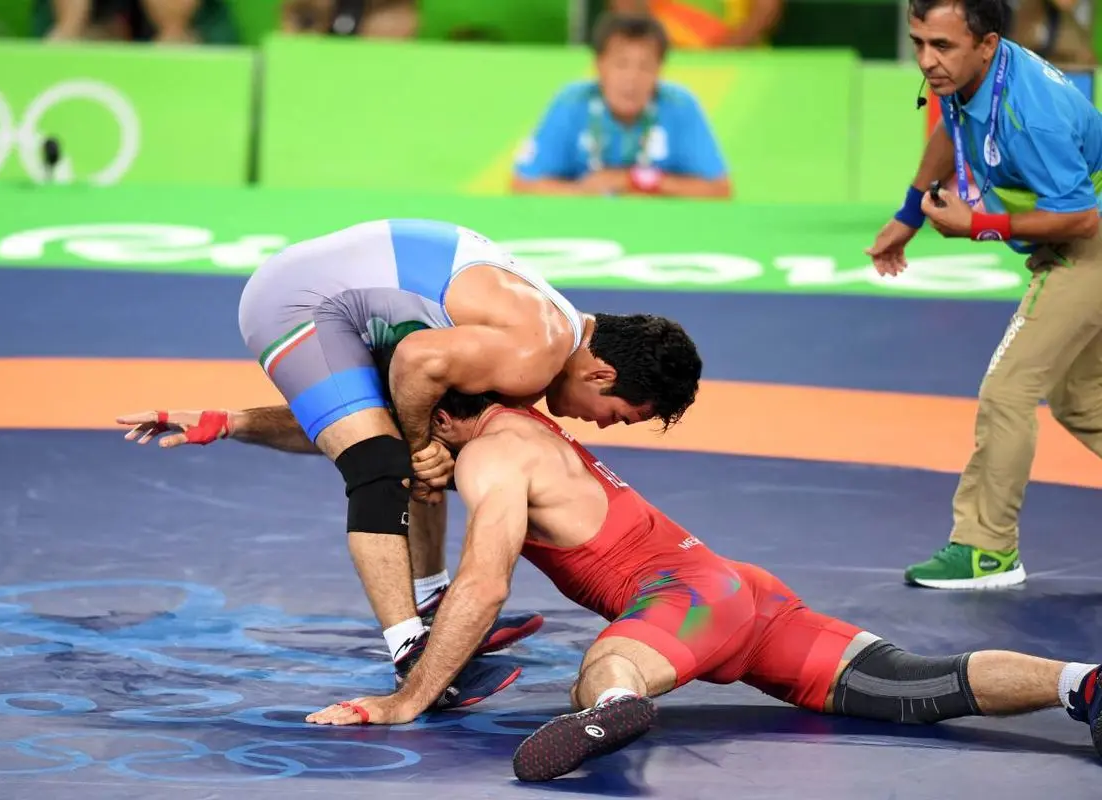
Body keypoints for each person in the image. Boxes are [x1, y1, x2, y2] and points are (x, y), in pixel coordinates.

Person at [303, 390, 1102, 782]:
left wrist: (407, 699)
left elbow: (484, 585)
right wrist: (240, 422)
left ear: (442, 422)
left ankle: (612, 707)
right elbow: (349, 432)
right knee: (910, 682)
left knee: (604, 666)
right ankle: (1082, 684)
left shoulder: (489, 456)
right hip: (739, 593)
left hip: (684, 602)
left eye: (418, 434)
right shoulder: (528, 420)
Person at [116, 217, 703, 707]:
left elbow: (382, 408)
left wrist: (234, 422)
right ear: (601, 374)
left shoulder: (550, 329)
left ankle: (430, 599)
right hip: (296, 299)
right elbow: (416, 361)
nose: (603, 426)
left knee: (441, 438)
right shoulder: (535, 353)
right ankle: (410, 651)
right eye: (618, 414)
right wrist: (420, 446)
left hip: (342, 287)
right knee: (385, 464)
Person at [864, 0, 1102, 589]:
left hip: (1089, 243)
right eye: (919, 42)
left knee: (1008, 388)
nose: (927, 60)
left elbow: (1082, 220)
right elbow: (954, 127)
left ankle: (986, 549)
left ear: (987, 43)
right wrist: (909, 214)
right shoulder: (971, 73)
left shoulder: (1032, 115)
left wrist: (980, 226)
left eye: (941, 46)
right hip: (1075, 237)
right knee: (1081, 399)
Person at [511, 13, 731, 199]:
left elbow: (719, 189)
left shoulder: (680, 106)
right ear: (599, 65)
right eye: (621, 64)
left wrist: (632, 181)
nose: (632, 79)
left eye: (645, 66)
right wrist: (583, 193)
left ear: (660, 70)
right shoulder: (571, 103)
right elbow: (522, 184)